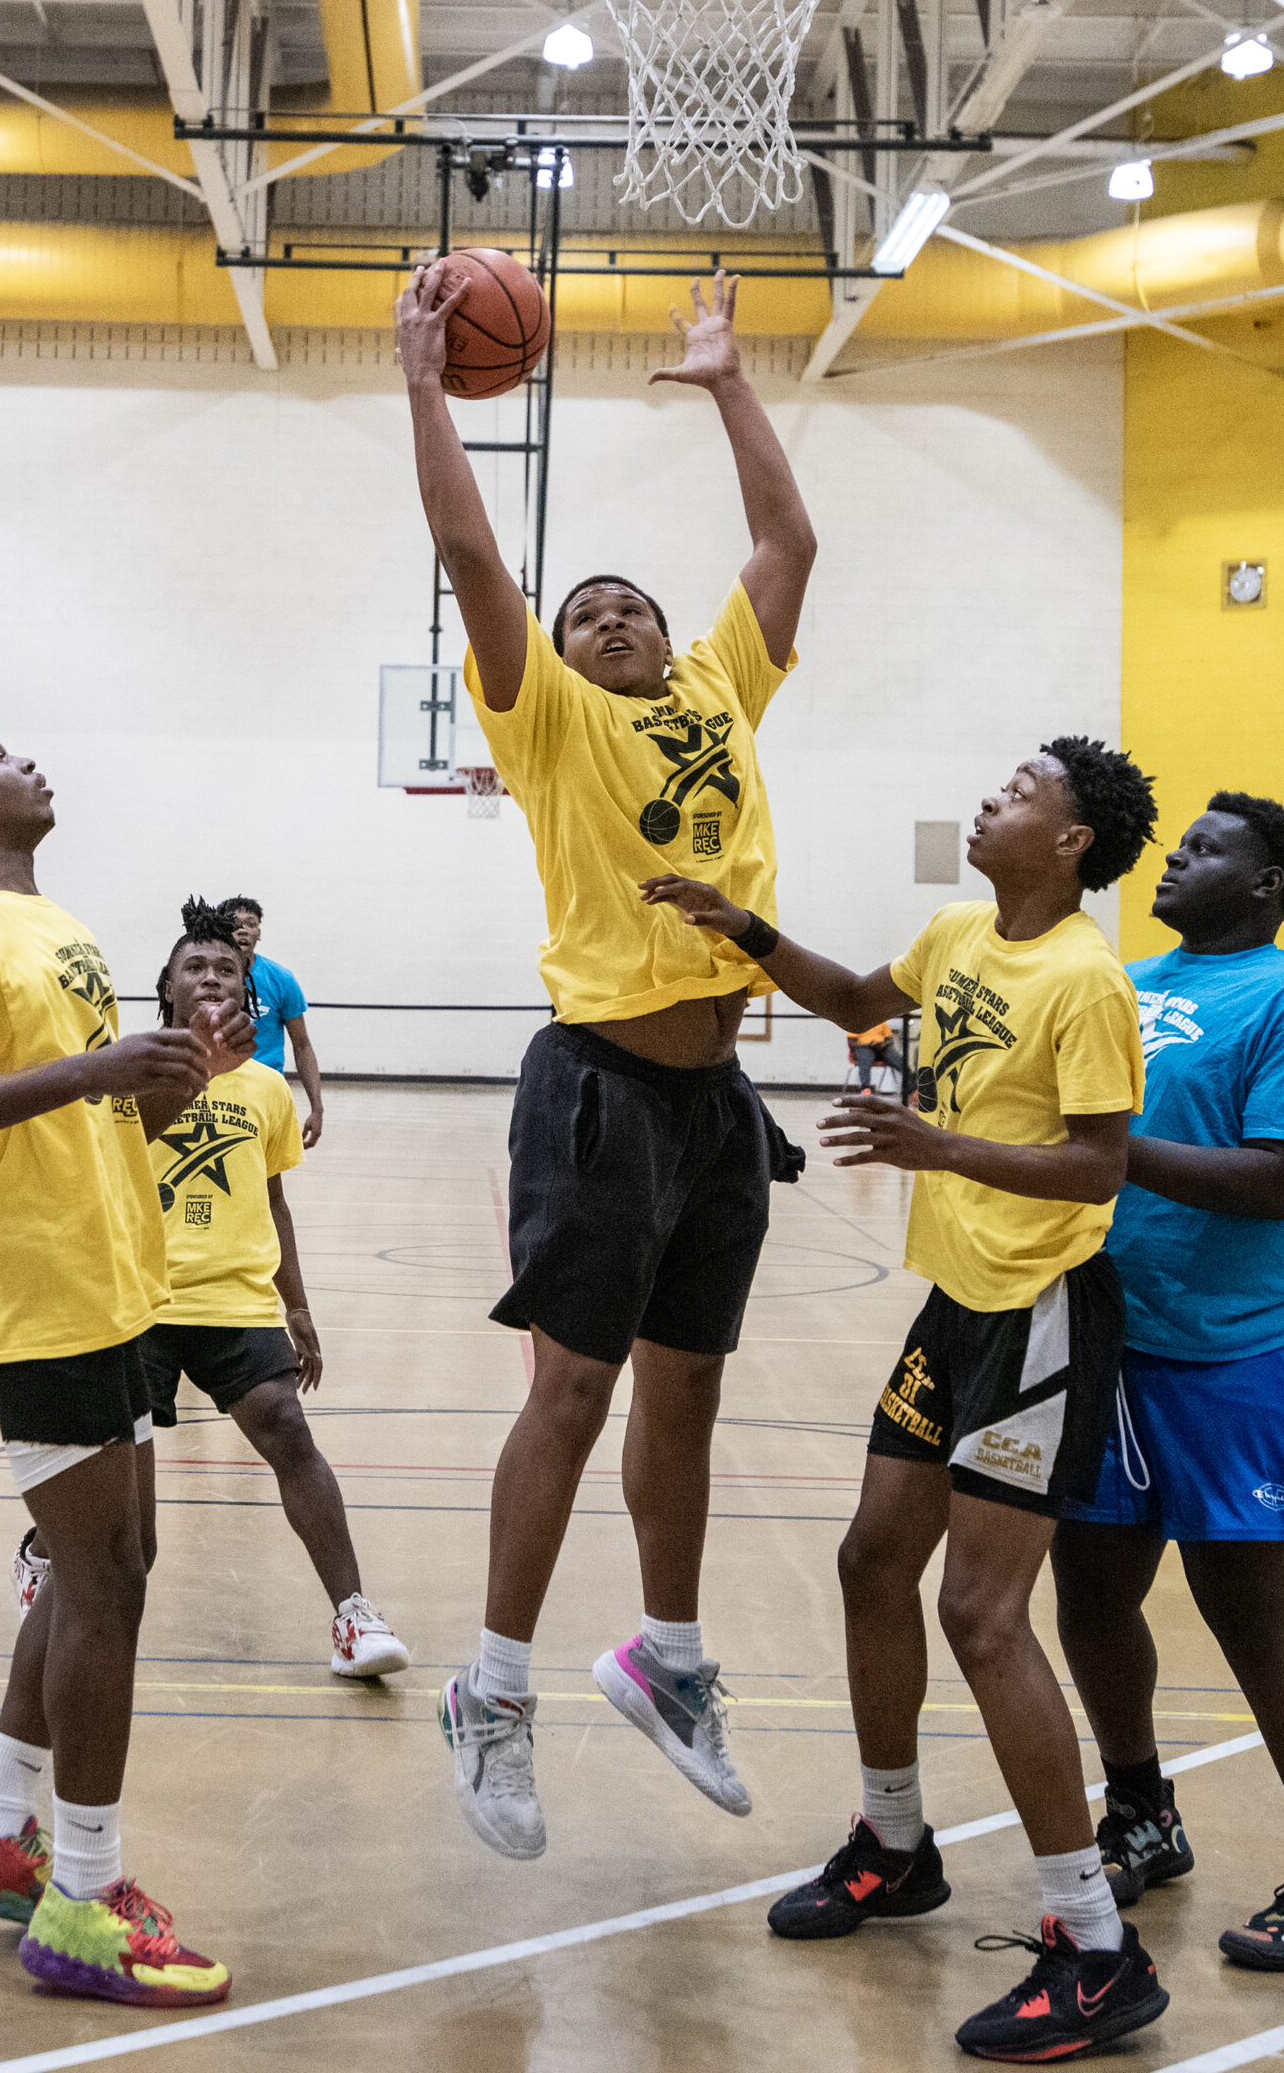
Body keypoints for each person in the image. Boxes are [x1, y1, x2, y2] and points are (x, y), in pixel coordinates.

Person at [645, 737, 1169, 2064]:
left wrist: (937, 1146)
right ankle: (893, 1843)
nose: (993, 796)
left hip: (1041, 1312)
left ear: (1066, 841)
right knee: (873, 1562)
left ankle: (1095, 1947)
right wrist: (744, 926)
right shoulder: (955, 931)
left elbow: (1100, 1166)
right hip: (957, 1306)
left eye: (1020, 790)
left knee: (982, 1614)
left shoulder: (1087, 978)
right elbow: (853, 1000)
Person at [395, 262, 814, 1863]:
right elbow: (466, 551)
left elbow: (785, 545)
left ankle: (668, 1656)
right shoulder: (549, 718)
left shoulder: (721, 684)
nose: (611, 616)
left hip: (717, 1100)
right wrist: (428, 385)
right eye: (585, 613)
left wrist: (724, 384)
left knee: (687, 1394)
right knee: (570, 1388)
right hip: (596, 1086)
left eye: (627, 602)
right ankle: (492, 1690)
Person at [0, 715, 237, 2010]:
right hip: (33, 1288)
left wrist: (180, 1074)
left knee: (110, 1574)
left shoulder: (53, 924)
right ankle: (82, 1899)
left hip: (107, 1277)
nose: (27, 759)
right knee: (102, 1594)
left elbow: (105, 1110)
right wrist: (94, 1063)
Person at [1050, 794, 1284, 1973]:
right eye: (1181, 840)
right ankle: (1142, 1809)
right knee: (1089, 1589)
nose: (1178, 854)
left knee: (1249, 1611)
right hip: (1110, 1333)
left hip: (1244, 1346)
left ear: (1266, 886)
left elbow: (1272, 1182)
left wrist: (1103, 1147)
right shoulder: (1120, 980)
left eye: (1208, 848)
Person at [13, 901, 410, 1681]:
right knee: (129, 1526)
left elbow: (274, 1201)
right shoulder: (124, 1072)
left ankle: (352, 1618)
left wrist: (298, 1307)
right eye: (194, 966)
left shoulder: (264, 1089)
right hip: (138, 1304)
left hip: (236, 1301)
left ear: (245, 990)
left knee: (289, 1432)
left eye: (225, 968)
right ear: (166, 985)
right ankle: (41, 1552)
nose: (210, 978)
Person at [220, 896, 324, 1149]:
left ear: (259, 933)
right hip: (217, 1091)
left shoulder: (282, 979)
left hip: (266, 1092)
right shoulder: (205, 976)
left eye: (250, 923)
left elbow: (302, 1045)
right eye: (234, 923)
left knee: (269, 1179)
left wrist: (317, 1108)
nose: (242, 929)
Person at [846, 1020, 907, 1098]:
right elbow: (851, 1042)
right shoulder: (856, 1021)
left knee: (896, 1059)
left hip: (881, 1048)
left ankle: (913, 1088)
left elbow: (890, 1039)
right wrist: (868, 1045)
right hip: (863, 1048)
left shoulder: (881, 1020)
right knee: (866, 1056)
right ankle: (865, 1088)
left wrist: (882, 1044)